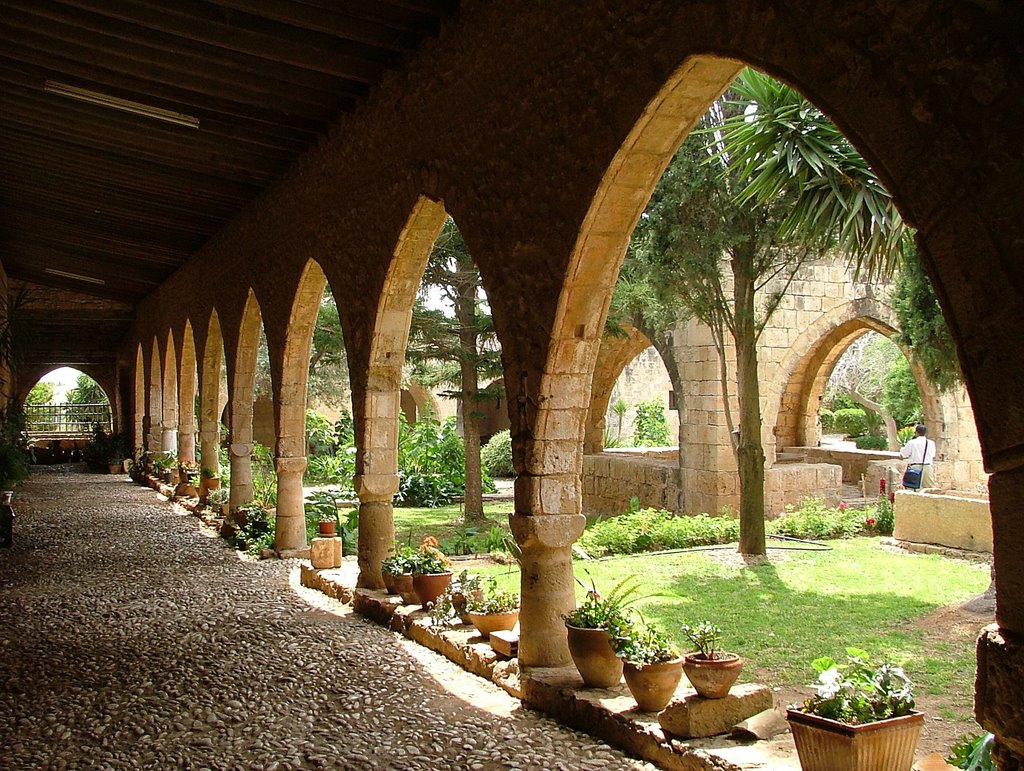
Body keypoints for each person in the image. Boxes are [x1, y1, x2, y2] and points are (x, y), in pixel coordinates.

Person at [900, 424, 936, 490]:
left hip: (915, 467)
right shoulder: (931, 443)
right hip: (928, 467)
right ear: (925, 433)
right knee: (929, 488)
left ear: (916, 432)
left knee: (912, 488)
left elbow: (903, 454)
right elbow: (933, 455)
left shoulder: (912, 442)